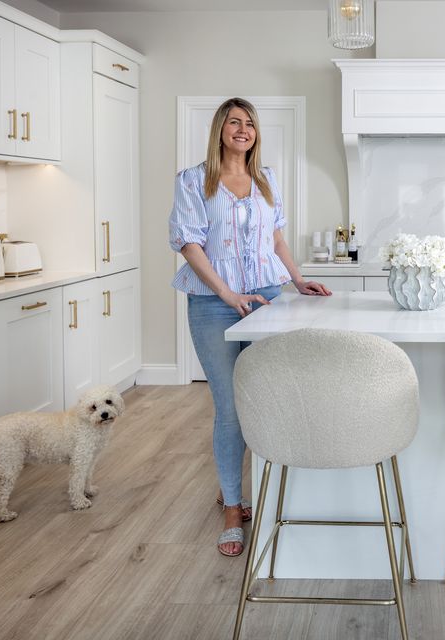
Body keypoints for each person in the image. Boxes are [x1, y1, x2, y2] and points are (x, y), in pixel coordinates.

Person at [169, 97, 331, 557]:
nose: (243, 130)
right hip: (214, 305)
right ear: (220, 128)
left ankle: (267, 489)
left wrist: (297, 279)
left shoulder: (266, 180)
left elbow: (275, 235)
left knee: (268, 397)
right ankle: (233, 506)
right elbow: (190, 245)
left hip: (270, 299)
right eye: (235, 122)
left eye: (250, 124)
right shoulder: (193, 180)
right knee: (230, 406)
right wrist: (227, 294)